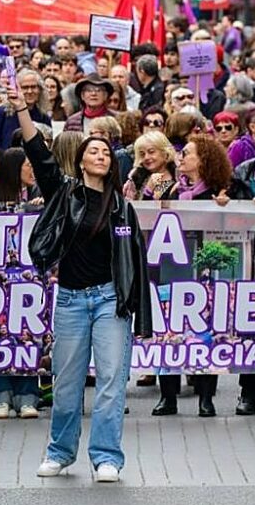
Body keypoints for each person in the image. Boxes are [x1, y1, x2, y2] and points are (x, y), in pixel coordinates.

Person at [12, 80, 150, 484]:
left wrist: (135, 309)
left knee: (111, 382)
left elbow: (135, 263)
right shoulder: (64, 192)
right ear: (81, 160)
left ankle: (107, 457)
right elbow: (38, 153)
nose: (100, 156)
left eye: (106, 152)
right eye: (93, 151)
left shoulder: (122, 208)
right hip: (71, 300)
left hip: (110, 301)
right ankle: (59, 452)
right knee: (68, 383)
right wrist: (22, 110)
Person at [153, 135, 233, 416]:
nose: (180, 157)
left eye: (186, 153)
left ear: (203, 160)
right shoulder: (170, 186)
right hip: (171, 271)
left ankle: (206, 398)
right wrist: (151, 189)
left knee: (204, 336)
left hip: (205, 276)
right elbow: (142, 202)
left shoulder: (222, 190)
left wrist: (227, 205)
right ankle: (168, 397)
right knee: (169, 334)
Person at [0, 147, 43, 420]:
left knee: (27, 336)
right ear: (14, 168)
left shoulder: (39, 194)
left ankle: (28, 397)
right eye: (28, 165)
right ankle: (1, 396)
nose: (32, 170)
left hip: (30, 281)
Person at [0, 69, 50, 148]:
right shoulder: (1, 113)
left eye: (33, 87)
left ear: (40, 90)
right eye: (25, 87)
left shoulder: (43, 117)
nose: (30, 91)